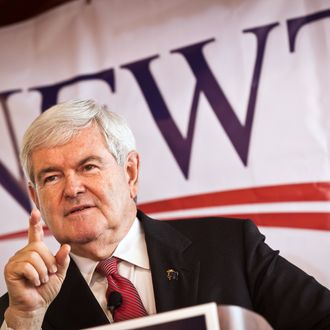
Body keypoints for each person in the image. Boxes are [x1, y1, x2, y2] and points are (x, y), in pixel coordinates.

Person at [1, 99, 330, 330]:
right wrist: (25, 320)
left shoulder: (230, 248)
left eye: (88, 167)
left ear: (130, 173)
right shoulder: (19, 307)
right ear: (35, 197)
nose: (72, 188)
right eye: (52, 177)